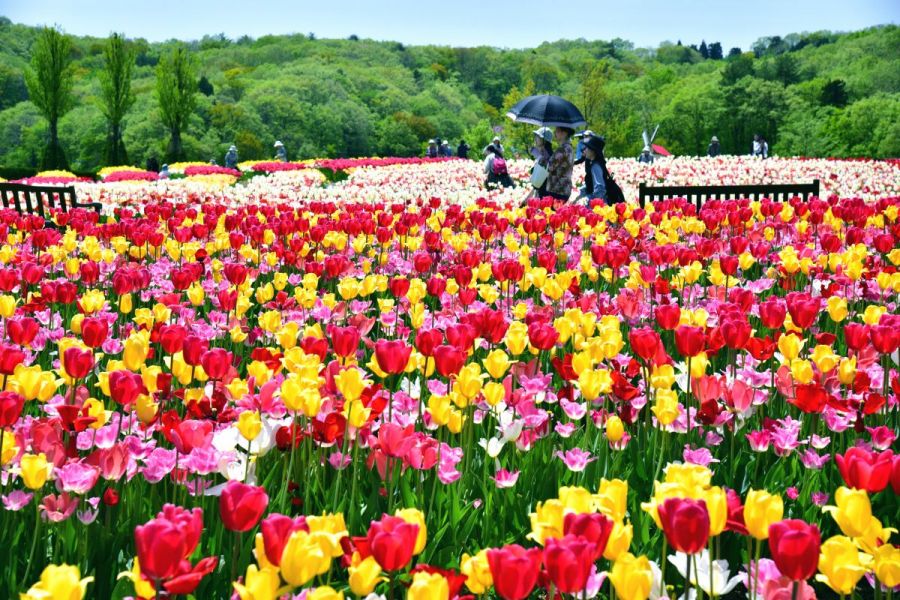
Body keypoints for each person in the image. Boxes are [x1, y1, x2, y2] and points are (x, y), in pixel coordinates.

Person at [545, 127, 575, 204]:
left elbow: (550, 166)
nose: (555, 133)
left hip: (557, 189)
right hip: (565, 188)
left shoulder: (563, 149)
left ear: (564, 133)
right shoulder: (570, 148)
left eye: (557, 131)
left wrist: (548, 152)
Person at [576, 135, 607, 202]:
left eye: (586, 148)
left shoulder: (595, 167)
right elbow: (590, 186)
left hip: (598, 206)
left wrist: (589, 201)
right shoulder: (594, 164)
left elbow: (600, 189)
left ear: (592, 151)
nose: (584, 150)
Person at [529, 127, 553, 198]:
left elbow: (543, 168)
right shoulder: (543, 152)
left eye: (538, 136)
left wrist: (537, 155)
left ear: (544, 140)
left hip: (544, 193)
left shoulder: (547, 154)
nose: (535, 138)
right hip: (541, 190)